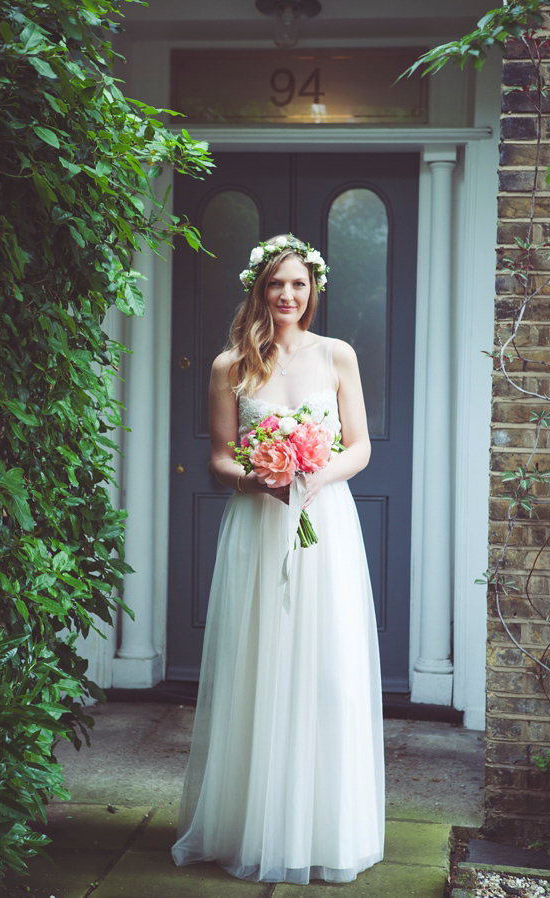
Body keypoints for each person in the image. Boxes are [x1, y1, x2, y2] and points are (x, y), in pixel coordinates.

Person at [170, 234, 384, 884]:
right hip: (259, 528)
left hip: (325, 523)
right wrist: (255, 478)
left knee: (327, 666)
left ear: (312, 289)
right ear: (257, 291)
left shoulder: (337, 355)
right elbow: (219, 456)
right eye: (275, 285)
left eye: (297, 284)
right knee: (259, 663)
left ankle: (323, 824)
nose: (287, 296)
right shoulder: (229, 365)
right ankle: (251, 823)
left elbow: (360, 445)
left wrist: (318, 478)